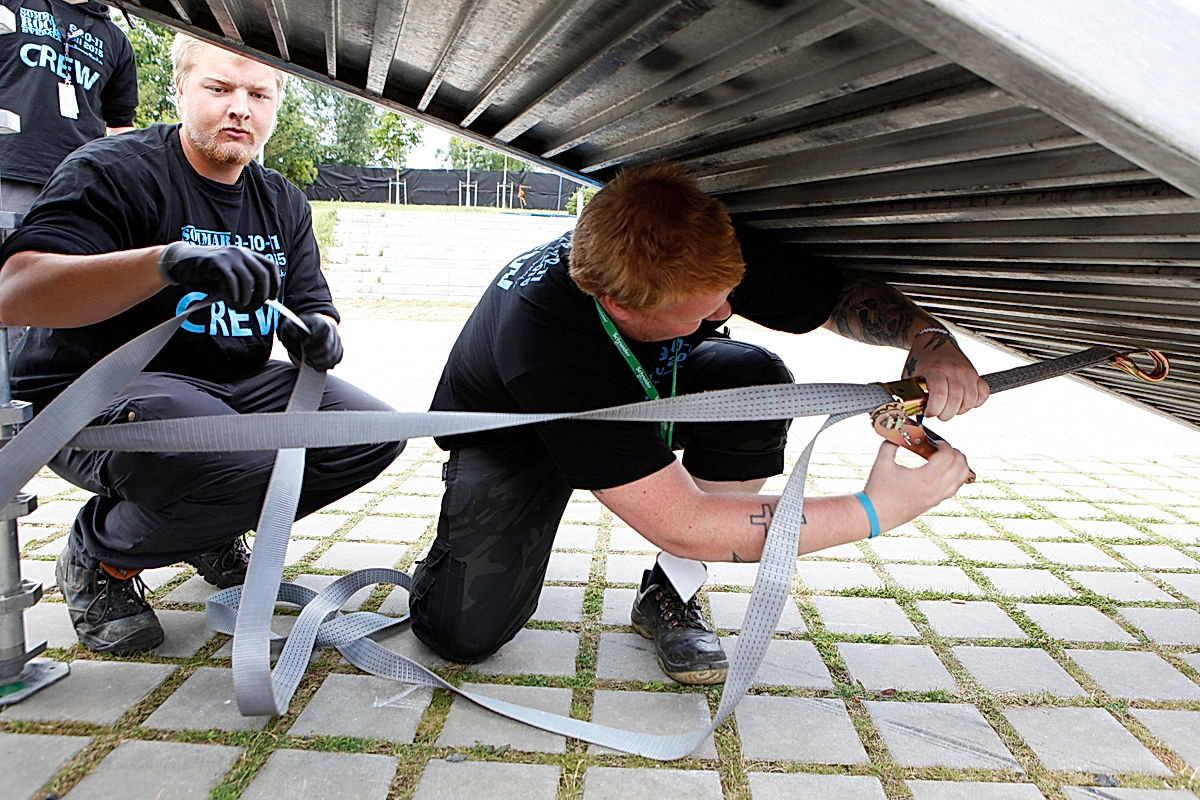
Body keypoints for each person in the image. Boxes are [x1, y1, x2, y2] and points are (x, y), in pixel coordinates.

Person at [414, 162, 985, 684]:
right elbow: (684, 521)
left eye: (726, 295)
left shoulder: (688, 244)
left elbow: (832, 297)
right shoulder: (546, 345)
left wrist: (929, 339)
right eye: (701, 311)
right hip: (519, 433)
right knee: (462, 634)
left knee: (755, 384)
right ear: (620, 307)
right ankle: (447, 565)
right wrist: (875, 510)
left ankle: (669, 590)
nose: (724, 313)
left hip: (639, 387)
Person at [0, 34, 404, 655]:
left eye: (259, 95)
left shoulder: (281, 201)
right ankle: (99, 556)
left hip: (229, 385)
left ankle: (205, 524)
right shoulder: (112, 170)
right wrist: (166, 263)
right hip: (95, 390)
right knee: (228, 449)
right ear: (180, 89)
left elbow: (311, 305)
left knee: (371, 432)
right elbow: (15, 291)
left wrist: (319, 334)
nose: (240, 107)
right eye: (219, 88)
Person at [0, 0, 138, 216]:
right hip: (12, 172)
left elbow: (121, 126)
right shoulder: (12, 3)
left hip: (81, 186)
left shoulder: (116, 40)